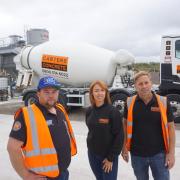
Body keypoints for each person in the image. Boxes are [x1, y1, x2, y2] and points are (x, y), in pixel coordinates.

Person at [7, 76, 77, 180]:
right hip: (43, 177)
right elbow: (12, 148)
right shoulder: (27, 115)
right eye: (46, 92)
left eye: (54, 92)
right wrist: (25, 175)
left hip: (63, 173)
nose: (51, 95)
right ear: (38, 93)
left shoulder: (60, 109)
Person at [122, 71, 175, 180]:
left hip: (159, 154)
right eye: (140, 84)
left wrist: (171, 153)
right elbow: (124, 126)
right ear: (135, 86)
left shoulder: (163, 102)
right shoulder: (129, 102)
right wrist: (124, 148)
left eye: (146, 82)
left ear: (151, 83)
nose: (144, 86)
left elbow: (171, 128)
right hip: (137, 155)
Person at [85, 80, 124, 180]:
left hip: (108, 156)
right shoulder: (89, 111)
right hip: (93, 154)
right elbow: (91, 130)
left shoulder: (113, 112)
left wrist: (110, 158)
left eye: (102, 90)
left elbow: (119, 137)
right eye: (96, 90)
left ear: (106, 93)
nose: (99, 93)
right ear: (92, 93)